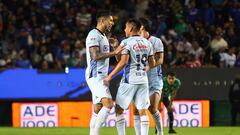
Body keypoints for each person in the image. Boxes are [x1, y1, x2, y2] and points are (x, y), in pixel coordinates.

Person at [104, 18, 162, 135]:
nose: (125, 29)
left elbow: (123, 62)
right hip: (143, 81)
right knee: (142, 111)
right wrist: (116, 48)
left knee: (119, 109)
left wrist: (110, 76)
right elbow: (152, 63)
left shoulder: (126, 42)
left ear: (130, 28)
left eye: (125, 27)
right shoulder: (147, 43)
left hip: (129, 81)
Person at [85, 11, 123, 135]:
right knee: (108, 104)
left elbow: (117, 58)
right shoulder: (93, 34)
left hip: (101, 75)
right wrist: (114, 52)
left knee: (97, 109)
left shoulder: (104, 37)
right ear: (102, 21)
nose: (112, 23)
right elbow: (95, 56)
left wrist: (114, 48)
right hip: (95, 75)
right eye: (110, 20)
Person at [133, 18, 164, 135]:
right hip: (140, 80)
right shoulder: (135, 42)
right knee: (136, 110)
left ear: (143, 28)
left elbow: (161, 59)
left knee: (152, 108)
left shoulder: (156, 41)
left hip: (155, 80)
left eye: (138, 28)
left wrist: (149, 66)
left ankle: (160, 132)